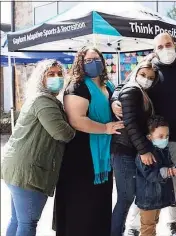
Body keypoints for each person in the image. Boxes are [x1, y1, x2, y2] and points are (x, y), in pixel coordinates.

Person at [112, 32, 176, 236]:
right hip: (151, 138)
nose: (165, 49)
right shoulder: (150, 66)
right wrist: (115, 99)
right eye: (159, 47)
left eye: (168, 44)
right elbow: (126, 84)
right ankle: (134, 226)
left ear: (175, 45)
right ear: (154, 50)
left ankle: (175, 223)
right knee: (145, 181)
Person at [54, 46, 124, 236]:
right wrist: (105, 128)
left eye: (96, 59)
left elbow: (115, 97)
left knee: (100, 203)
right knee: (81, 206)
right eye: (87, 60)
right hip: (81, 156)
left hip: (102, 158)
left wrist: (116, 104)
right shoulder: (77, 86)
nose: (93, 63)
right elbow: (77, 120)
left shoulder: (107, 85)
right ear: (80, 64)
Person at [1, 59, 75, 236]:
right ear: (40, 78)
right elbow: (63, 134)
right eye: (50, 74)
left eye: (59, 74)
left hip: (17, 169)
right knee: (28, 223)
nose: (56, 78)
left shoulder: (38, 98)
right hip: (30, 172)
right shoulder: (44, 101)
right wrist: (75, 124)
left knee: (18, 220)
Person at [110, 60, 158, 236]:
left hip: (131, 150)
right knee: (125, 198)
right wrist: (144, 150)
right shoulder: (132, 90)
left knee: (129, 197)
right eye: (143, 75)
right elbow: (129, 123)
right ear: (136, 72)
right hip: (124, 150)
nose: (146, 79)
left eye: (151, 77)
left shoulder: (142, 92)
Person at [136, 115, 176, 236]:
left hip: (157, 198)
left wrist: (173, 169)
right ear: (149, 137)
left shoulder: (164, 149)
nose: (164, 139)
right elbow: (151, 175)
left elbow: (168, 165)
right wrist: (169, 171)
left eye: (166, 136)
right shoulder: (145, 155)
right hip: (148, 199)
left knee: (153, 224)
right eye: (160, 136)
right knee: (148, 228)